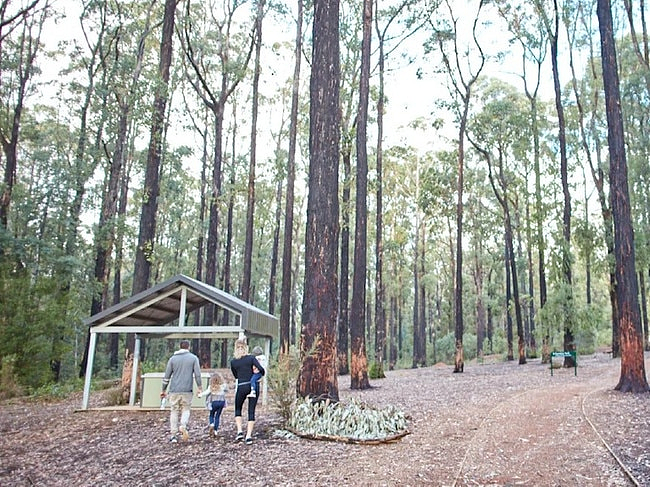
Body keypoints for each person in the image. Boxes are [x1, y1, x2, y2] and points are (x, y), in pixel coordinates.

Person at [161, 339, 203, 443]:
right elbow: (197, 374)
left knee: (174, 410)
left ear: (180, 346)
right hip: (187, 389)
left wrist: (163, 389)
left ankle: (173, 435)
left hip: (174, 389)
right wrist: (200, 387)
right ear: (188, 347)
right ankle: (183, 425)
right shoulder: (193, 358)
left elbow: (167, 376)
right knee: (186, 409)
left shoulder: (172, 359)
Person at [230, 338, 265, 444]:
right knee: (251, 411)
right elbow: (261, 370)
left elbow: (235, 375)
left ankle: (239, 431)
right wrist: (257, 374)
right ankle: (248, 436)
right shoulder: (251, 358)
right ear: (246, 348)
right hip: (252, 385)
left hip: (241, 385)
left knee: (238, 408)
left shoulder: (233, 362)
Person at [199, 371, 227, 438]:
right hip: (221, 402)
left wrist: (200, 395)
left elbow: (206, 392)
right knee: (217, 416)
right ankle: (215, 431)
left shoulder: (211, 387)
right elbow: (226, 390)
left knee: (212, 414)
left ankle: (212, 424)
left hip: (214, 402)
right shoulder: (223, 386)